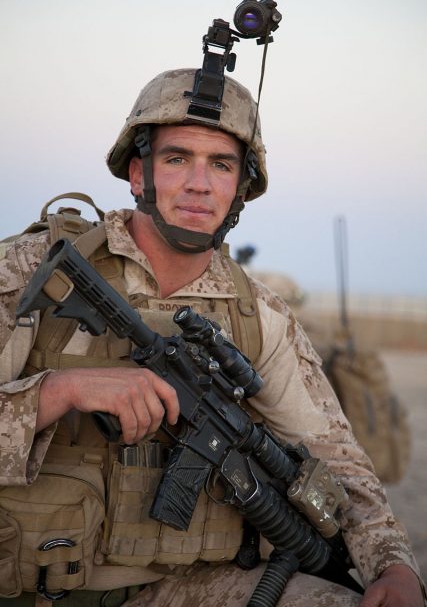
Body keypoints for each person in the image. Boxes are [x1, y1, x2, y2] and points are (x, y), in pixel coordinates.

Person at [0, 67, 425, 607]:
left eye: (221, 165)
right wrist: (59, 392)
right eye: (177, 158)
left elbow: (336, 458)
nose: (199, 183)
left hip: (188, 589)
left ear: (240, 188)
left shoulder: (260, 315)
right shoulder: (32, 270)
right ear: (138, 174)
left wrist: (393, 565)